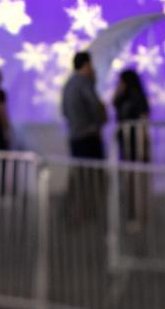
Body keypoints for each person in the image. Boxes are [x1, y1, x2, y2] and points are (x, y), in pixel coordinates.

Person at [60, 51, 108, 223]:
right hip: (89, 135)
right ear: (86, 65)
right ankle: (89, 212)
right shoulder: (85, 83)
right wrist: (99, 122)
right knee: (93, 176)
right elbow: (95, 105)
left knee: (78, 174)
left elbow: (64, 111)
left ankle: (73, 211)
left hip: (75, 136)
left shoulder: (68, 84)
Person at [112, 68, 152, 231]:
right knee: (130, 181)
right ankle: (132, 214)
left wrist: (143, 146)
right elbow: (114, 104)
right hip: (126, 145)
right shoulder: (123, 98)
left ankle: (139, 216)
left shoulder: (137, 97)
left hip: (136, 146)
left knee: (137, 181)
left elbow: (144, 122)